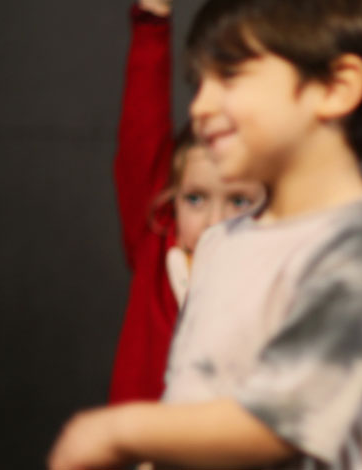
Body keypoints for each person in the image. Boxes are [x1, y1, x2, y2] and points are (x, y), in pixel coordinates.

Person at [49, 0, 362, 468]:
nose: (200, 106)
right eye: (198, 83)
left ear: (334, 86)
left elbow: (282, 420)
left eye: (228, 76)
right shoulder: (220, 242)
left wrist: (117, 430)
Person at [108, 0, 266, 405]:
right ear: (170, 202)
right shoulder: (155, 246)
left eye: (239, 200)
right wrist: (152, 21)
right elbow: (140, 135)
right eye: (195, 198)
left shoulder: (278, 275)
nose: (215, 220)